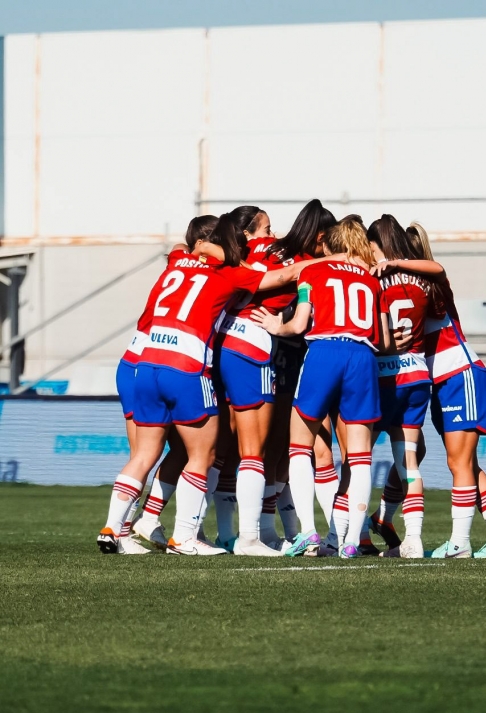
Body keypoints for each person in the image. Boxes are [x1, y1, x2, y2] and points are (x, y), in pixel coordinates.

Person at [97, 215, 309, 557]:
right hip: (186, 366)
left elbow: (183, 246)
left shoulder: (179, 260)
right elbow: (282, 275)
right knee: (205, 453)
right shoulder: (228, 273)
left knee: (145, 455)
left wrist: (206, 248)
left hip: (144, 361)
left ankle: (115, 529)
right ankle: (185, 537)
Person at [373, 222, 486, 559]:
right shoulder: (408, 290)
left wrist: (395, 264)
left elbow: (437, 268)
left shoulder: (431, 284)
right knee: (464, 462)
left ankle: (459, 542)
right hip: (440, 383)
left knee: (459, 462)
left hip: (461, 375)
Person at [252, 217, 382, 558]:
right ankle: (352, 539)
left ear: (327, 246)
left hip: (324, 352)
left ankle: (308, 533)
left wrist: (274, 326)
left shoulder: (312, 272)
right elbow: (381, 336)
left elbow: (298, 324)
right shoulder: (370, 280)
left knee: (299, 446)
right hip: (363, 356)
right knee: (360, 456)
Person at [216, 200, 336, 553]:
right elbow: (289, 283)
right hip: (258, 344)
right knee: (264, 449)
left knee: (226, 447)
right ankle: (255, 534)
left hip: (220, 341)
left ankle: (236, 532)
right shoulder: (303, 264)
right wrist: (339, 259)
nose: (271, 234)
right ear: (320, 237)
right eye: (266, 228)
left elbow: (196, 246)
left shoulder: (245, 248)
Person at [99, 216, 218, 554]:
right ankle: (128, 529)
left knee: (167, 451)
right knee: (171, 452)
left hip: (136, 360)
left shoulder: (179, 260)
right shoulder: (212, 272)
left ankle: (127, 525)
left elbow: (179, 247)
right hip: (159, 361)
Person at [367, 214, 433, 559]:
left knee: (358, 458)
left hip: (385, 376)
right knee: (410, 462)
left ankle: (353, 534)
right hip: (419, 374)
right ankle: (414, 540)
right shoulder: (422, 279)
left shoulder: (374, 278)